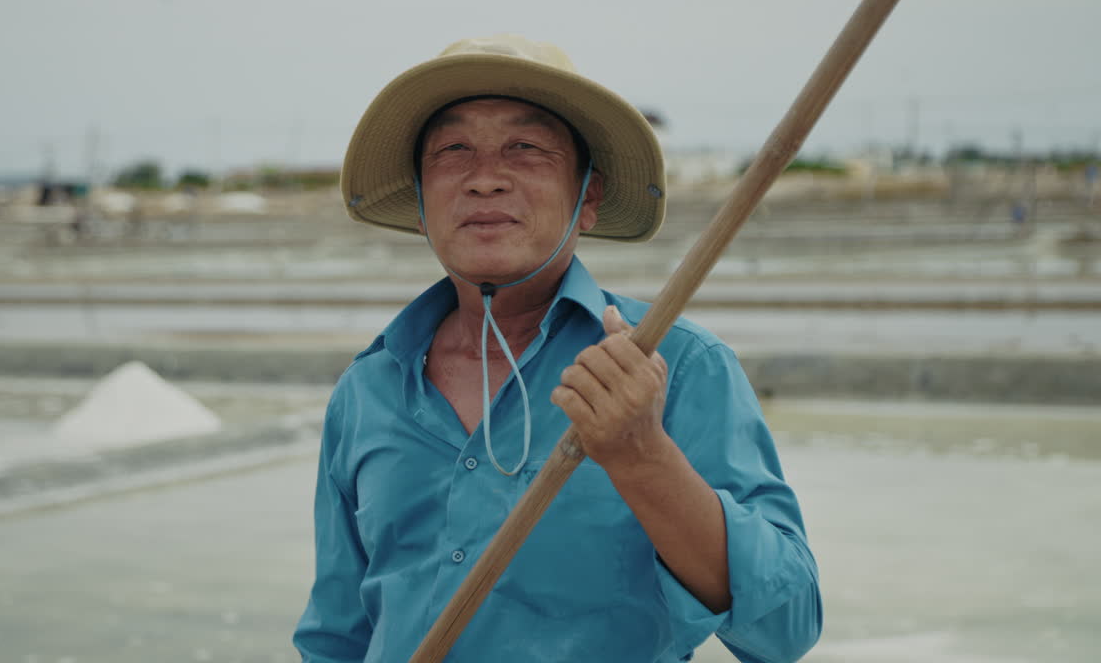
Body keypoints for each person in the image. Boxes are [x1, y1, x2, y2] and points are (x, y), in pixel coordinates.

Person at [294, 35, 821, 662]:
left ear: (588, 198)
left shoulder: (677, 365)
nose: (485, 179)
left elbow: (785, 629)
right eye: (453, 150)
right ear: (419, 206)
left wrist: (642, 455)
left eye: (526, 148)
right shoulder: (367, 389)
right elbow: (336, 637)